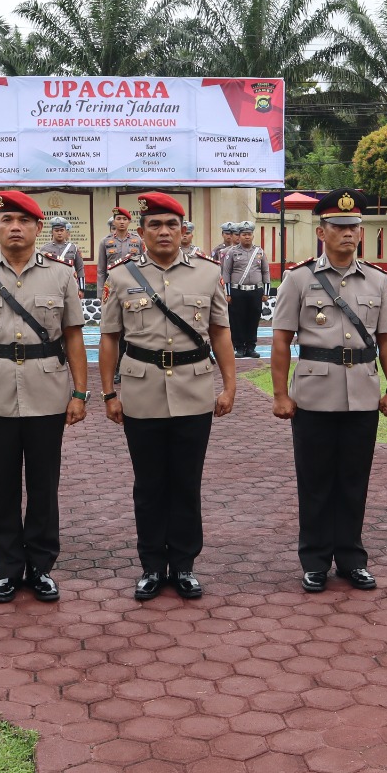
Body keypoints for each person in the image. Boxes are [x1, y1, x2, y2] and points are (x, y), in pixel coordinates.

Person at [98, 192, 236, 600]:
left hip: (194, 390)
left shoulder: (208, 273)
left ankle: (185, 565)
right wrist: (108, 393)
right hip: (141, 391)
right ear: (140, 232)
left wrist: (229, 385)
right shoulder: (121, 277)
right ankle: (153, 566)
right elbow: (109, 339)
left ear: (183, 231)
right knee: (149, 483)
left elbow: (221, 333)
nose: (163, 231)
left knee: (187, 482)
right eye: (154, 225)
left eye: (171, 225)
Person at [0, 190, 88, 604]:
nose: (15, 227)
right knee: (3, 486)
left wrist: (80, 392)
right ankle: (9, 570)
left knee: (45, 485)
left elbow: (73, 336)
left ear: (37, 228)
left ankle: (42, 567)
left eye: (24, 221)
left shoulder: (61, 274)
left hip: (48, 392)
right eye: (7, 220)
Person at [271, 189, 387, 592]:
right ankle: (314, 559)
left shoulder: (378, 280)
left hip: (363, 391)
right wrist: (280, 394)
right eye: (339, 227)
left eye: (353, 227)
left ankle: (350, 558)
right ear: (322, 232)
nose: (348, 234)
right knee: (314, 481)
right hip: (313, 393)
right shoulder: (298, 278)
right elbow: (281, 339)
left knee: (353, 479)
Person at [221, 221, 269, 358]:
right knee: (237, 320)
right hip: (237, 292)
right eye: (244, 234)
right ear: (239, 236)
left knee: (253, 319)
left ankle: (251, 347)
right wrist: (228, 293)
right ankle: (239, 347)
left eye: (249, 234)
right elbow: (226, 273)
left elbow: (265, 272)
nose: (247, 237)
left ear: (253, 236)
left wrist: (266, 291)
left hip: (255, 291)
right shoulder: (232, 252)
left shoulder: (259, 252)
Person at [97, 206, 143, 296]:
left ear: (129, 222)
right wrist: (100, 292)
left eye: (125, 219)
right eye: (118, 219)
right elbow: (101, 270)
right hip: (112, 284)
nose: (122, 222)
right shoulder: (105, 242)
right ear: (114, 222)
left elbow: (143, 266)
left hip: (133, 283)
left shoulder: (138, 240)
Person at [39, 217, 86, 291]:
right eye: (56, 230)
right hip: (51, 286)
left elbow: (80, 269)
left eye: (61, 230)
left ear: (65, 231)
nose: (59, 233)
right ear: (52, 232)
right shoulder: (44, 249)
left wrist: (82, 289)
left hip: (70, 285)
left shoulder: (74, 248)